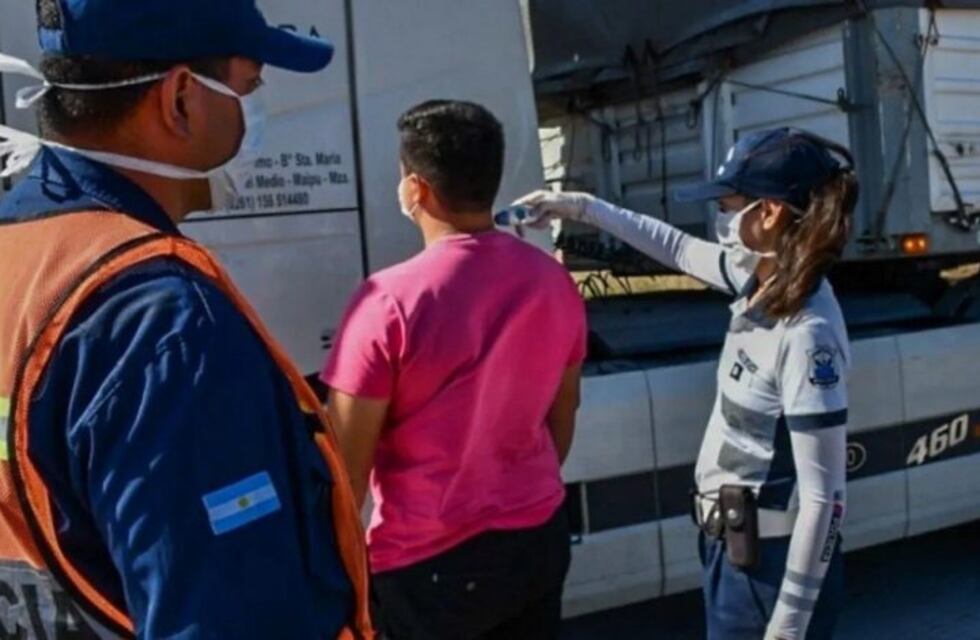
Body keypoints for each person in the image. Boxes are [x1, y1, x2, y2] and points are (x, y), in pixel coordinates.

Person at [0, 1, 372, 638]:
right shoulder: (164, 323)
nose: (255, 112)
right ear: (180, 100)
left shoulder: (18, 254)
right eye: (249, 86)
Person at [513, 128, 856, 640]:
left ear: (769, 213)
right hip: (734, 552)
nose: (719, 218)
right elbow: (673, 245)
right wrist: (580, 207)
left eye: (727, 205)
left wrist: (788, 623)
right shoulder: (757, 280)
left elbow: (825, 499)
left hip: (771, 567)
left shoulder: (807, 332)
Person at [321, 100, 587, 640]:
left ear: (415, 188)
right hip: (536, 536)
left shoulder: (385, 302)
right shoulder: (552, 281)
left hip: (427, 565)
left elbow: (346, 466)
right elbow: (563, 413)